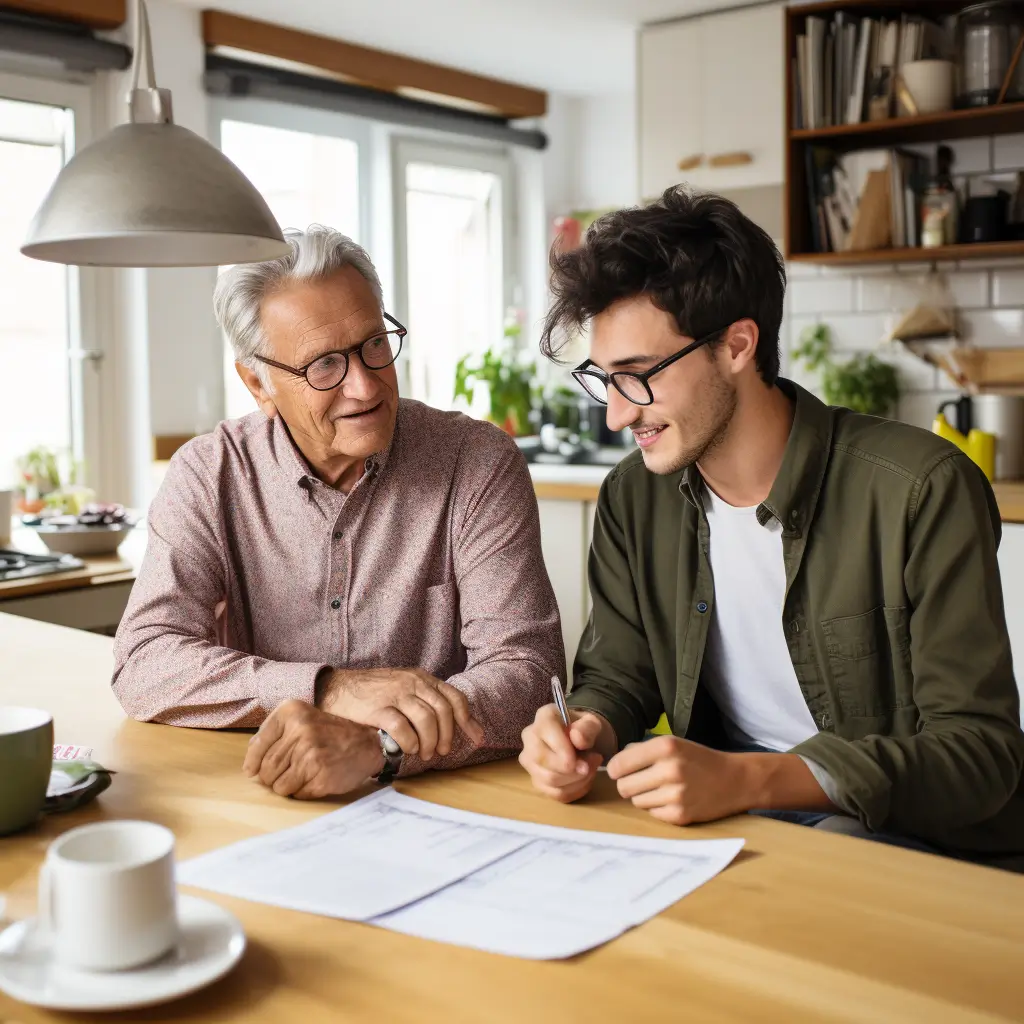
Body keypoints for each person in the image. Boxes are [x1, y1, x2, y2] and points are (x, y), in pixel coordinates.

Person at [519, 187, 1024, 871]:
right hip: (733, 826)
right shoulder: (634, 497)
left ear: (737, 345)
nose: (615, 415)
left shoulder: (919, 489)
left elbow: (980, 755)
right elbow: (618, 673)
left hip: (919, 846)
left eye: (637, 378)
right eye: (603, 379)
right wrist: (586, 732)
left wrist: (752, 779)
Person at [113, 225, 563, 799]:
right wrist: (326, 690)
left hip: (449, 803)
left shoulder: (475, 461)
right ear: (258, 381)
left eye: (374, 343)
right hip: (264, 797)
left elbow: (530, 676)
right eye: (325, 365)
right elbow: (145, 661)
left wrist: (381, 748)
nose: (365, 385)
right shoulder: (209, 472)